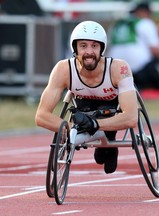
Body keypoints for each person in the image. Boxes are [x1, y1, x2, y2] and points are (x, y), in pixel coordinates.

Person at [35, 21, 138, 174]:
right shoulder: (63, 70)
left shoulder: (118, 68)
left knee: (105, 158)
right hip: (83, 108)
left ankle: (110, 142)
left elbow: (131, 118)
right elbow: (41, 116)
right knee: (82, 116)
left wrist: (94, 124)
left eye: (94, 46)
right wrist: (70, 130)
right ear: (74, 48)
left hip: (110, 109)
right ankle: (101, 139)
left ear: (102, 48)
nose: (89, 52)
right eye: (83, 46)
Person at [108, 1, 159, 90]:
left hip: (114, 70)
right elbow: (155, 49)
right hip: (139, 70)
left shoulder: (116, 24)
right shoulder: (145, 22)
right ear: (145, 12)